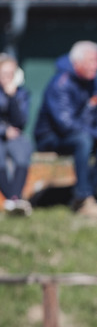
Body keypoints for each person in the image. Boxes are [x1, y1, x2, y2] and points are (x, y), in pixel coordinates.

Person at [34, 40, 97, 218]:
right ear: (77, 62)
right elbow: (65, 124)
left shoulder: (94, 80)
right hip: (51, 137)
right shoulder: (60, 83)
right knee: (83, 141)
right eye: (91, 61)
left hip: (83, 135)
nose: (96, 66)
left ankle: (90, 195)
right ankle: (83, 197)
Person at [0, 54, 33, 216]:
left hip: (14, 136)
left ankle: (13, 199)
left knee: (22, 151)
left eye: (10, 74)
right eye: (4, 74)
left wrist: (12, 98)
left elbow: (21, 121)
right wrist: (4, 131)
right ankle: (12, 200)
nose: (7, 78)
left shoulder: (21, 94)